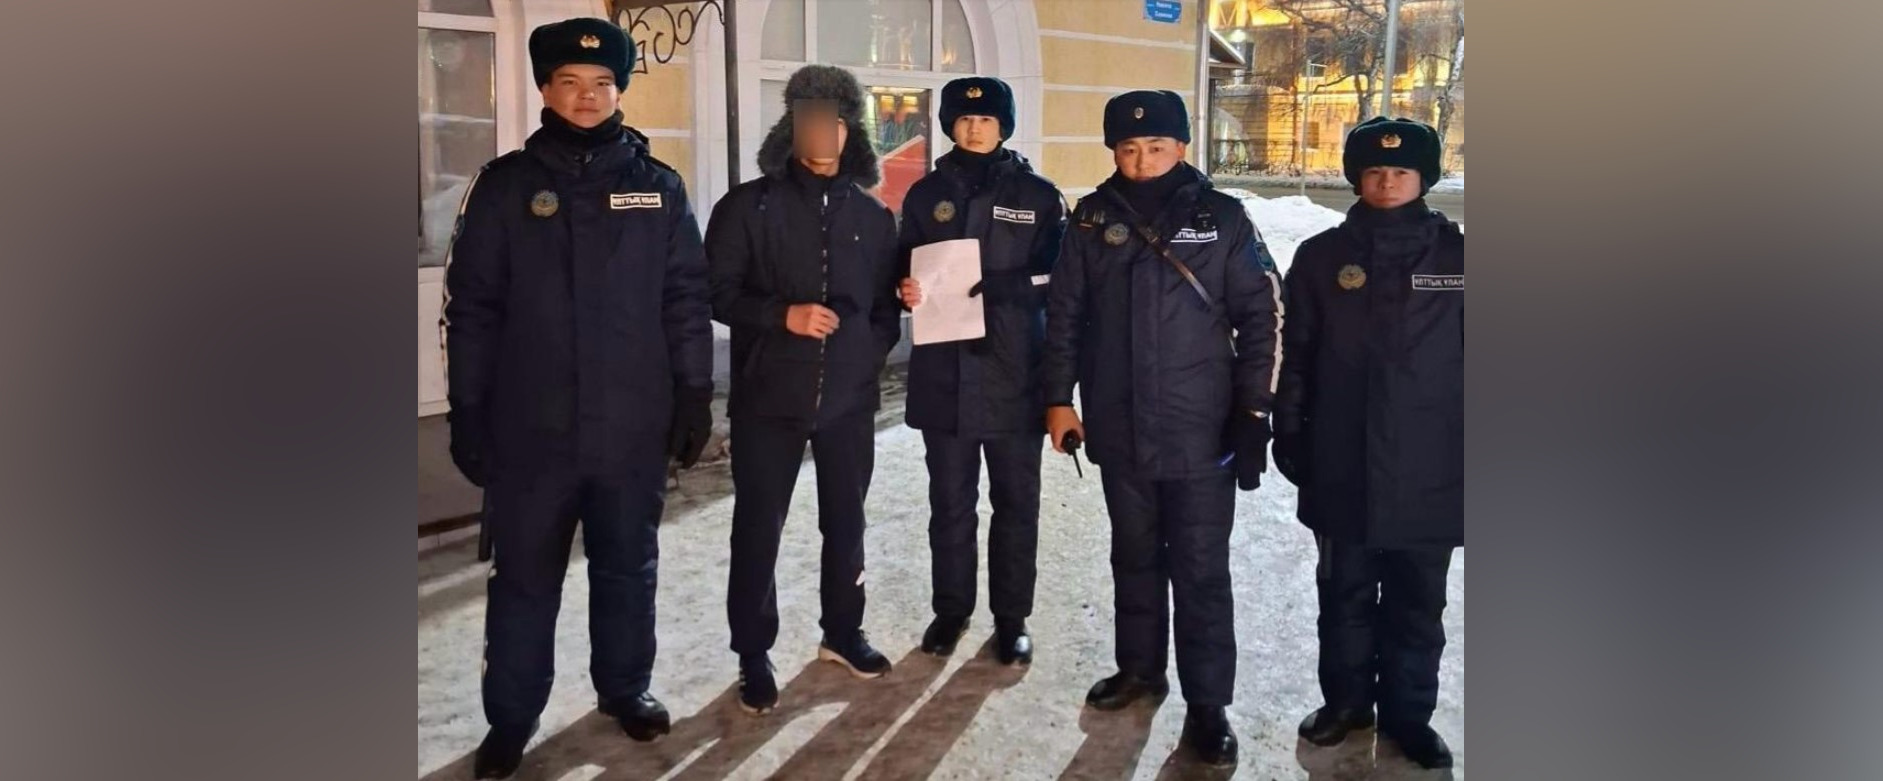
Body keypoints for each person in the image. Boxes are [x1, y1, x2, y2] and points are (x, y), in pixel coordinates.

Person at [441, 17, 714, 779]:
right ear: (544, 89)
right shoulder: (504, 187)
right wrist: (468, 410)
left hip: (631, 427)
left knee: (627, 567)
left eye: (601, 84)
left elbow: (685, 299)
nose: (586, 96)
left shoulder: (658, 188)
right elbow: (472, 309)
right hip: (532, 430)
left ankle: (624, 688)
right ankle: (511, 717)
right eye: (569, 82)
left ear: (619, 90)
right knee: (524, 579)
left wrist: (695, 393)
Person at [1039, 89, 1282, 768]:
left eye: (1155, 146)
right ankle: (1140, 668)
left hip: (1201, 429)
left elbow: (1264, 316)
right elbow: (1064, 315)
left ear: (1181, 146)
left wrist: (1254, 411)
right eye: (1128, 147)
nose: (1142, 159)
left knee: (1200, 571)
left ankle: (1208, 706)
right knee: (1134, 556)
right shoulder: (1090, 219)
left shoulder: (1222, 218)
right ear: (1113, 150)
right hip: (1118, 425)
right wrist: (1058, 399)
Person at [706, 64, 903, 716]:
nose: (822, 131)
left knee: (846, 523)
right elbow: (715, 292)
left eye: (835, 120)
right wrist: (780, 316)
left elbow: (884, 308)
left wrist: (864, 353)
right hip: (768, 398)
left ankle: (842, 632)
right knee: (757, 527)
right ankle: (752, 652)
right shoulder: (746, 207)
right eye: (809, 118)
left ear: (851, 130)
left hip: (848, 402)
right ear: (790, 126)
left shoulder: (873, 216)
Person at [1275, 116, 1463, 770]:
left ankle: (1410, 716)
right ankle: (1346, 704)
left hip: (1434, 466)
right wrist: (1288, 429)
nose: (1387, 181)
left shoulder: (1460, 259)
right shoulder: (1320, 258)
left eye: (1401, 171)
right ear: (1356, 177)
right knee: (1344, 596)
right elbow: (1295, 355)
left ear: (1423, 178)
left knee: (1418, 603)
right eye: (1374, 170)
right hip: (1341, 459)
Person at [895, 76, 1065, 665]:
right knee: (950, 504)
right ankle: (951, 609)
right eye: (965, 119)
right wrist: (904, 287)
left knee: (1016, 505)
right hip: (944, 376)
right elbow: (903, 263)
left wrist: (1011, 286)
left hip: (1016, 374)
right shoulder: (925, 195)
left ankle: (1012, 618)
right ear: (950, 125)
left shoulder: (1038, 195)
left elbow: (1063, 276)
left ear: (1004, 126)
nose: (974, 128)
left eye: (987, 119)